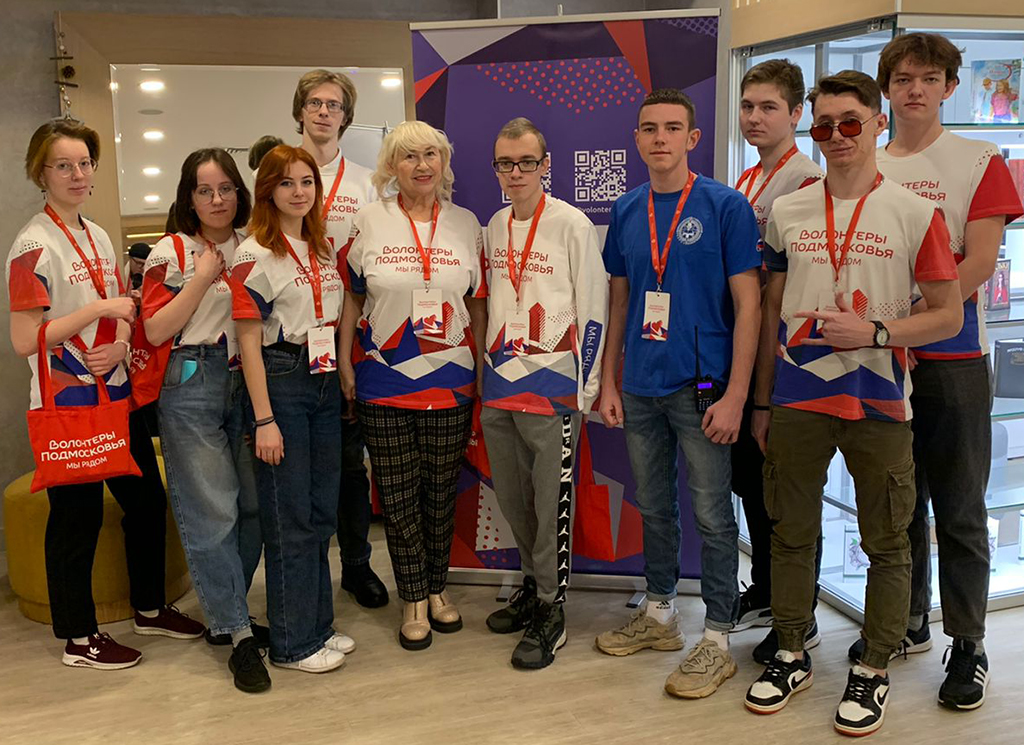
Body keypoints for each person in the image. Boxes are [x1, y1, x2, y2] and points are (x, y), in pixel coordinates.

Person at [742, 70, 963, 736]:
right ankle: (790, 652)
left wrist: (876, 332)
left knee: (886, 541)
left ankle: (873, 667)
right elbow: (772, 309)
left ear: (877, 124)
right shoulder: (789, 211)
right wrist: (761, 402)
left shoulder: (915, 212)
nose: (836, 136)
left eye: (849, 123)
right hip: (799, 398)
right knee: (790, 533)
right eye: (823, 125)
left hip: (879, 400)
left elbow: (948, 314)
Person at [856, 32, 1024, 711]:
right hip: (879, 360)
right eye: (903, 79)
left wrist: (905, 316)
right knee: (898, 503)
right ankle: (909, 618)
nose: (915, 90)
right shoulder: (867, 159)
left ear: (952, 87)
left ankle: (969, 642)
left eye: (929, 78)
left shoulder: (978, 159)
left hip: (952, 359)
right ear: (886, 89)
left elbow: (979, 261)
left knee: (959, 509)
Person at [6, 118, 204, 670]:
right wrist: (98, 310)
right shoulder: (31, 246)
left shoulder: (95, 234)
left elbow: (124, 309)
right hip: (68, 403)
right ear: (40, 173)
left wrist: (118, 342)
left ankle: (149, 607)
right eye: (62, 165)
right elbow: (24, 338)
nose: (77, 174)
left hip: (115, 394)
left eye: (84, 163)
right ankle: (78, 637)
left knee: (145, 502)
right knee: (78, 518)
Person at [595, 89, 762, 700]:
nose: (659, 138)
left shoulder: (725, 206)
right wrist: (608, 380)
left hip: (704, 388)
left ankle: (717, 636)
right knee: (654, 506)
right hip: (641, 384)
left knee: (714, 516)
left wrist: (736, 395)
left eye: (672, 128)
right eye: (649, 128)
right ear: (636, 139)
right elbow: (619, 302)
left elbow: (749, 306)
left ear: (693, 138)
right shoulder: (626, 208)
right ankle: (661, 613)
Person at [338, 121, 487, 651]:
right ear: (391, 166)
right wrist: (345, 363)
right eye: (408, 156)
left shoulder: (467, 224)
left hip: (451, 378)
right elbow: (352, 299)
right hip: (383, 379)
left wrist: (482, 370)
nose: (421, 165)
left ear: (444, 162)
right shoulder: (367, 221)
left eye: (431, 154)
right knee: (398, 495)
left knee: (440, 492)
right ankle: (413, 598)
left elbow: (477, 304)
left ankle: (438, 587)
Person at [141, 148, 271, 693]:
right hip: (192, 380)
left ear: (240, 192)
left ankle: (227, 612)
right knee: (212, 511)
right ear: (189, 198)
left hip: (248, 380)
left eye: (226, 189)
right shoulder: (170, 250)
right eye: (204, 190)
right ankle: (237, 632)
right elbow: (154, 330)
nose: (217, 200)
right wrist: (200, 278)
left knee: (254, 507)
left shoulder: (256, 245)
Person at [481, 117, 608, 669]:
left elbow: (595, 307)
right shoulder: (493, 225)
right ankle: (533, 588)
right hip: (500, 384)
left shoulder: (572, 224)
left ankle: (552, 610)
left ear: (545, 165)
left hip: (554, 387)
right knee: (513, 499)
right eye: (505, 163)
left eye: (526, 162)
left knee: (549, 501)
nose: (516, 173)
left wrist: (587, 387)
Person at [230, 144, 349, 674]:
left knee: (321, 513)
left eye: (307, 182)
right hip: (280, 378)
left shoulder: (321, 247)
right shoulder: (253, 253)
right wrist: (264, 419)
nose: (299, 192)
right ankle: (292, 642)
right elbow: (247, 342)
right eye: (286, 183)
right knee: (289, 517)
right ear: (267, 191)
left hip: (322, 379)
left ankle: (317, 625)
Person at [732, 59, 825, 664]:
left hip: (787, 355)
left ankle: (801, 612)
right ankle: (766, 590)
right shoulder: (748, 178)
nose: (754, 117)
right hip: (747, 347)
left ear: (795, 115)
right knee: (750, 480)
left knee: (786, 493)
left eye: (768, 107)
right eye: (748, 106)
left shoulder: (807, 181)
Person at [293, 68, 387, 608]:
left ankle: (356, 564)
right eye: (314, 102)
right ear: (300, 111)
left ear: (347, 117)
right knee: (300, 465)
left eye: (333, 104)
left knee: (351, 463)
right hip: (290, 338)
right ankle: (305, 573)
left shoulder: (368, 183)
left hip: (348, 334)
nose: (324, 112)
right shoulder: (280, 173)